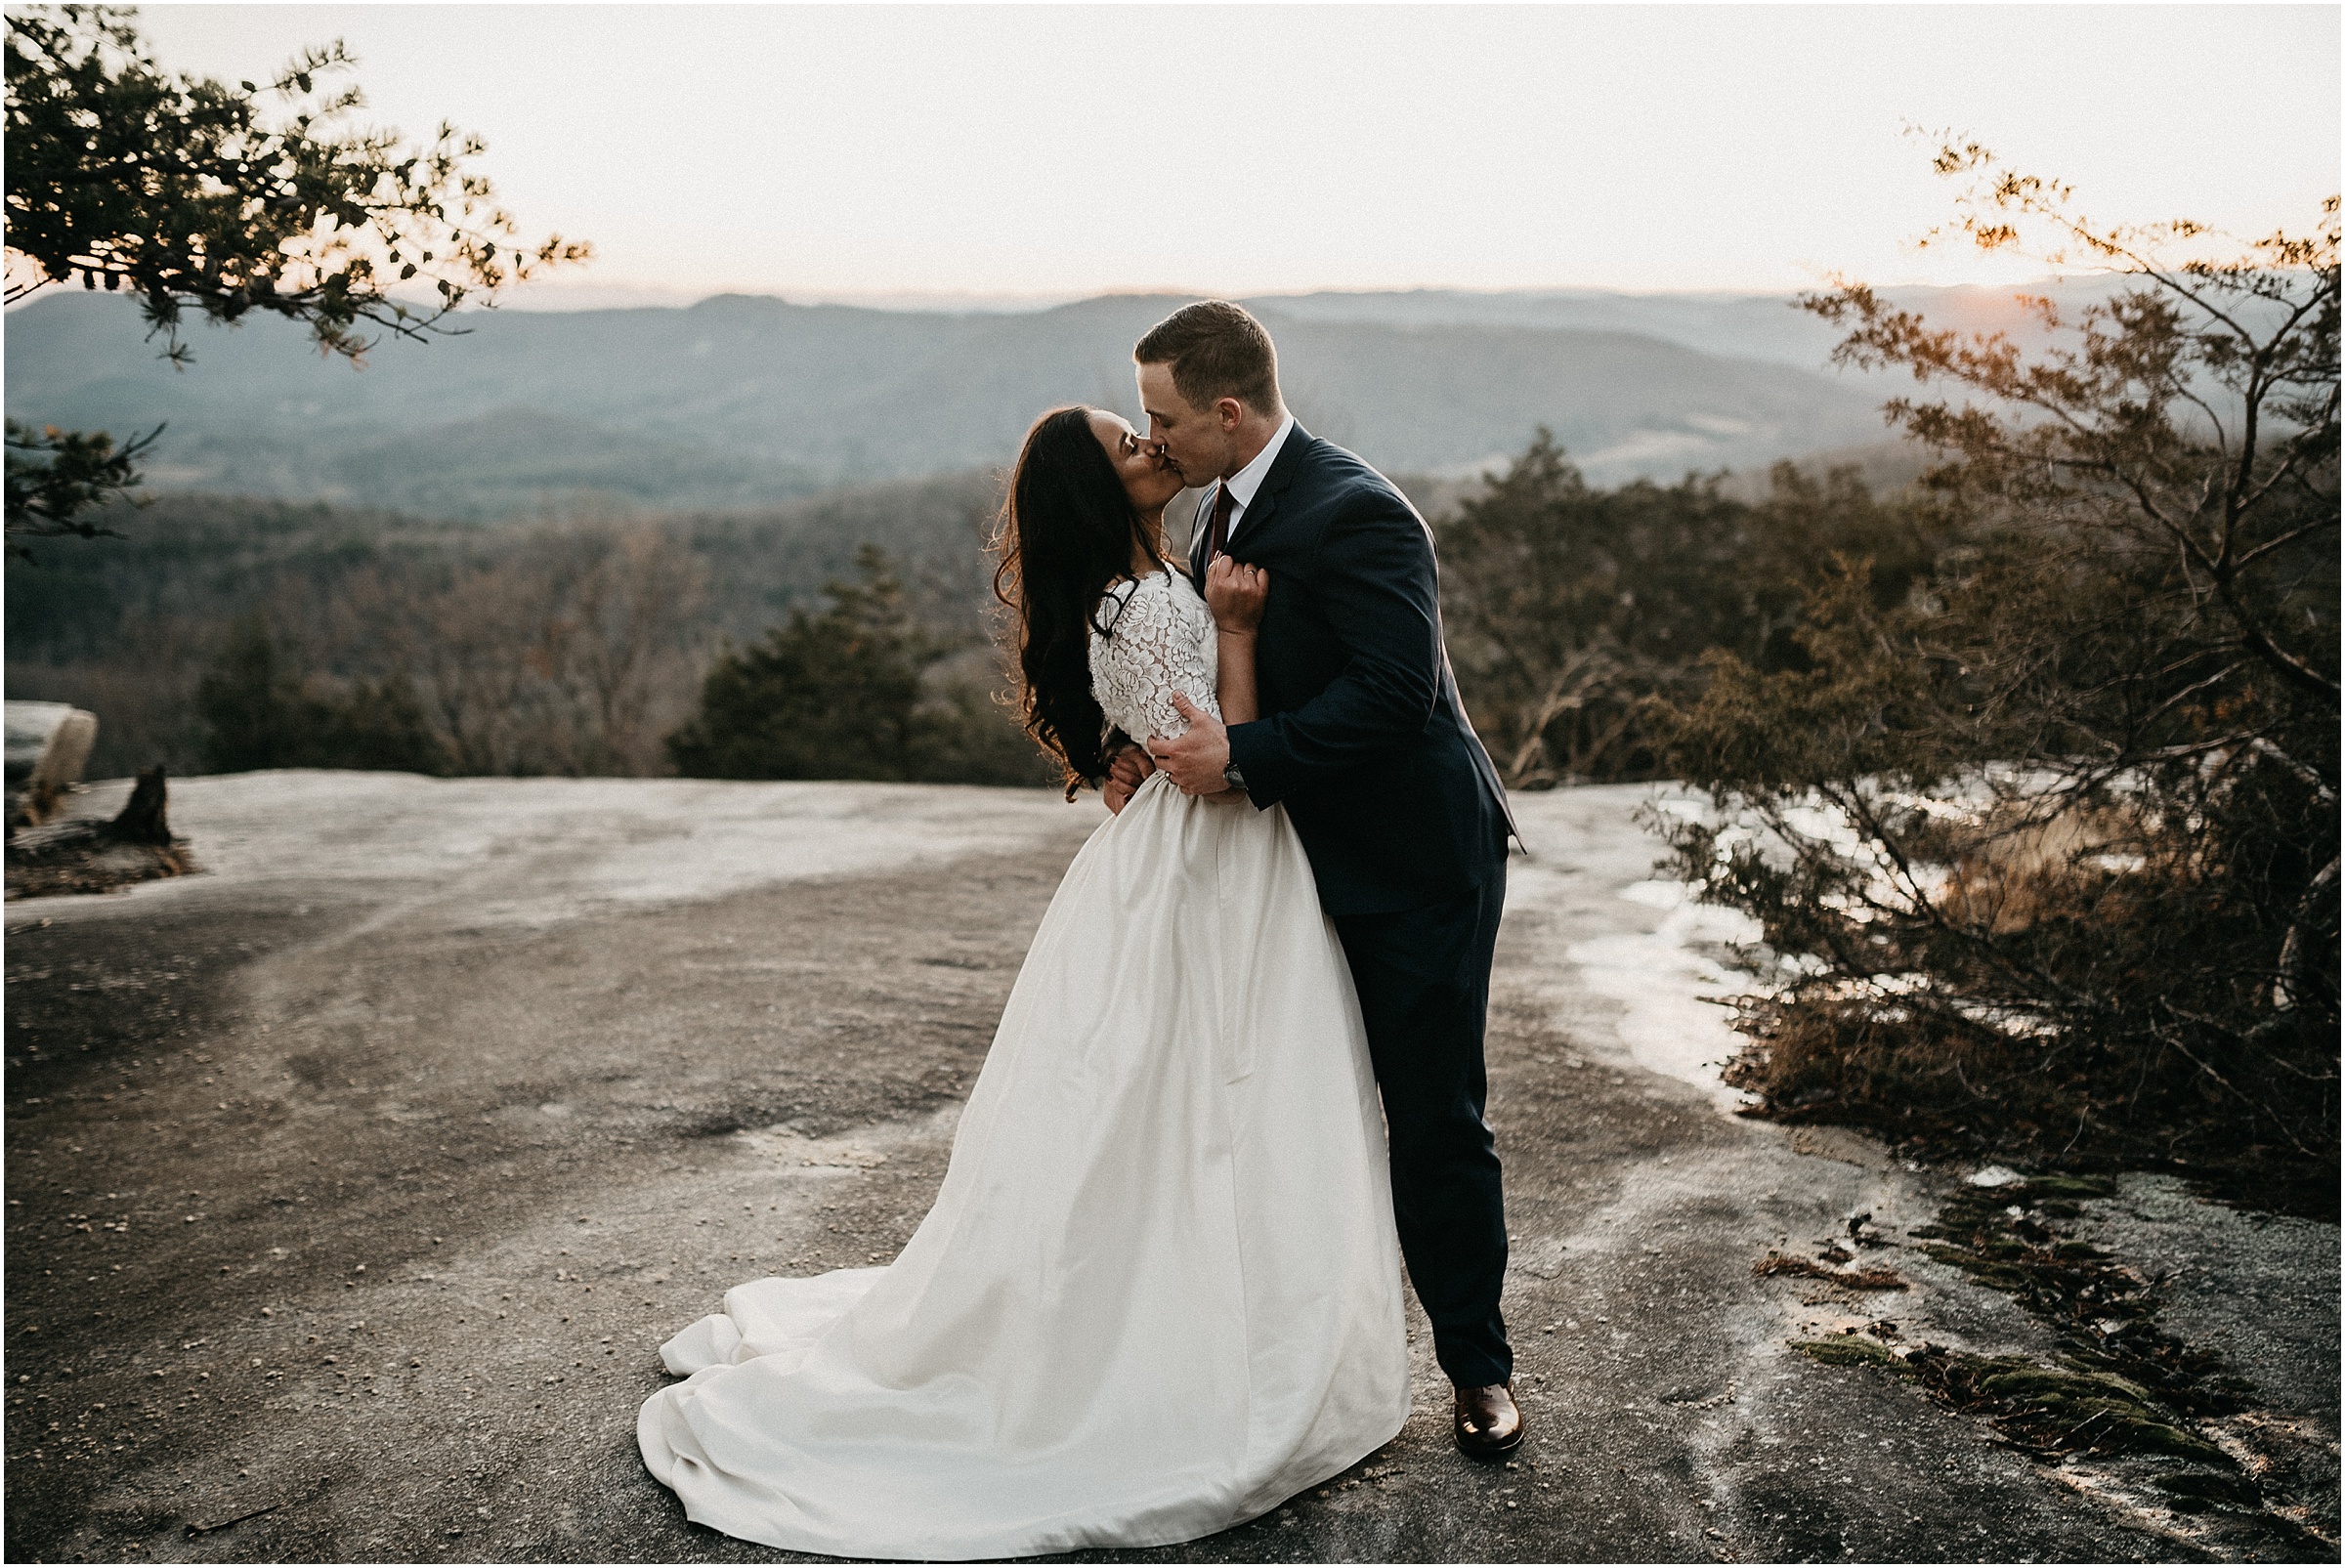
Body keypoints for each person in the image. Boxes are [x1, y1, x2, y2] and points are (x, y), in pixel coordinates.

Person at [635, 403, 1413, 1559]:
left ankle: (1219, 1315)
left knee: (1187, 1111)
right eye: (1125, 444)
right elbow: (1225, 764)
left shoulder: (1135, 583)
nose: (1149, 446)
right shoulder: (1147, 603)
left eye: (1146, 430)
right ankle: (1198, 1344)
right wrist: (1239, 630)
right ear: (1098, 491)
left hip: (1176, 863)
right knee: (1216, 1104)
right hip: (1215, 864)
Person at [1115, 300, 1525, 1457]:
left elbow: (1399, 697)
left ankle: (1478, 1371)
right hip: (1294, 871)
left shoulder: (1361, 513)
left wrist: (1246, 757)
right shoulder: (1214, 512)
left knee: (1433, 1115)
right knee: (1278, 1111)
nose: (1155, 444)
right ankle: (1284, 1363)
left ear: (1230, 412)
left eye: (1167, 421)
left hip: (1412, 865)